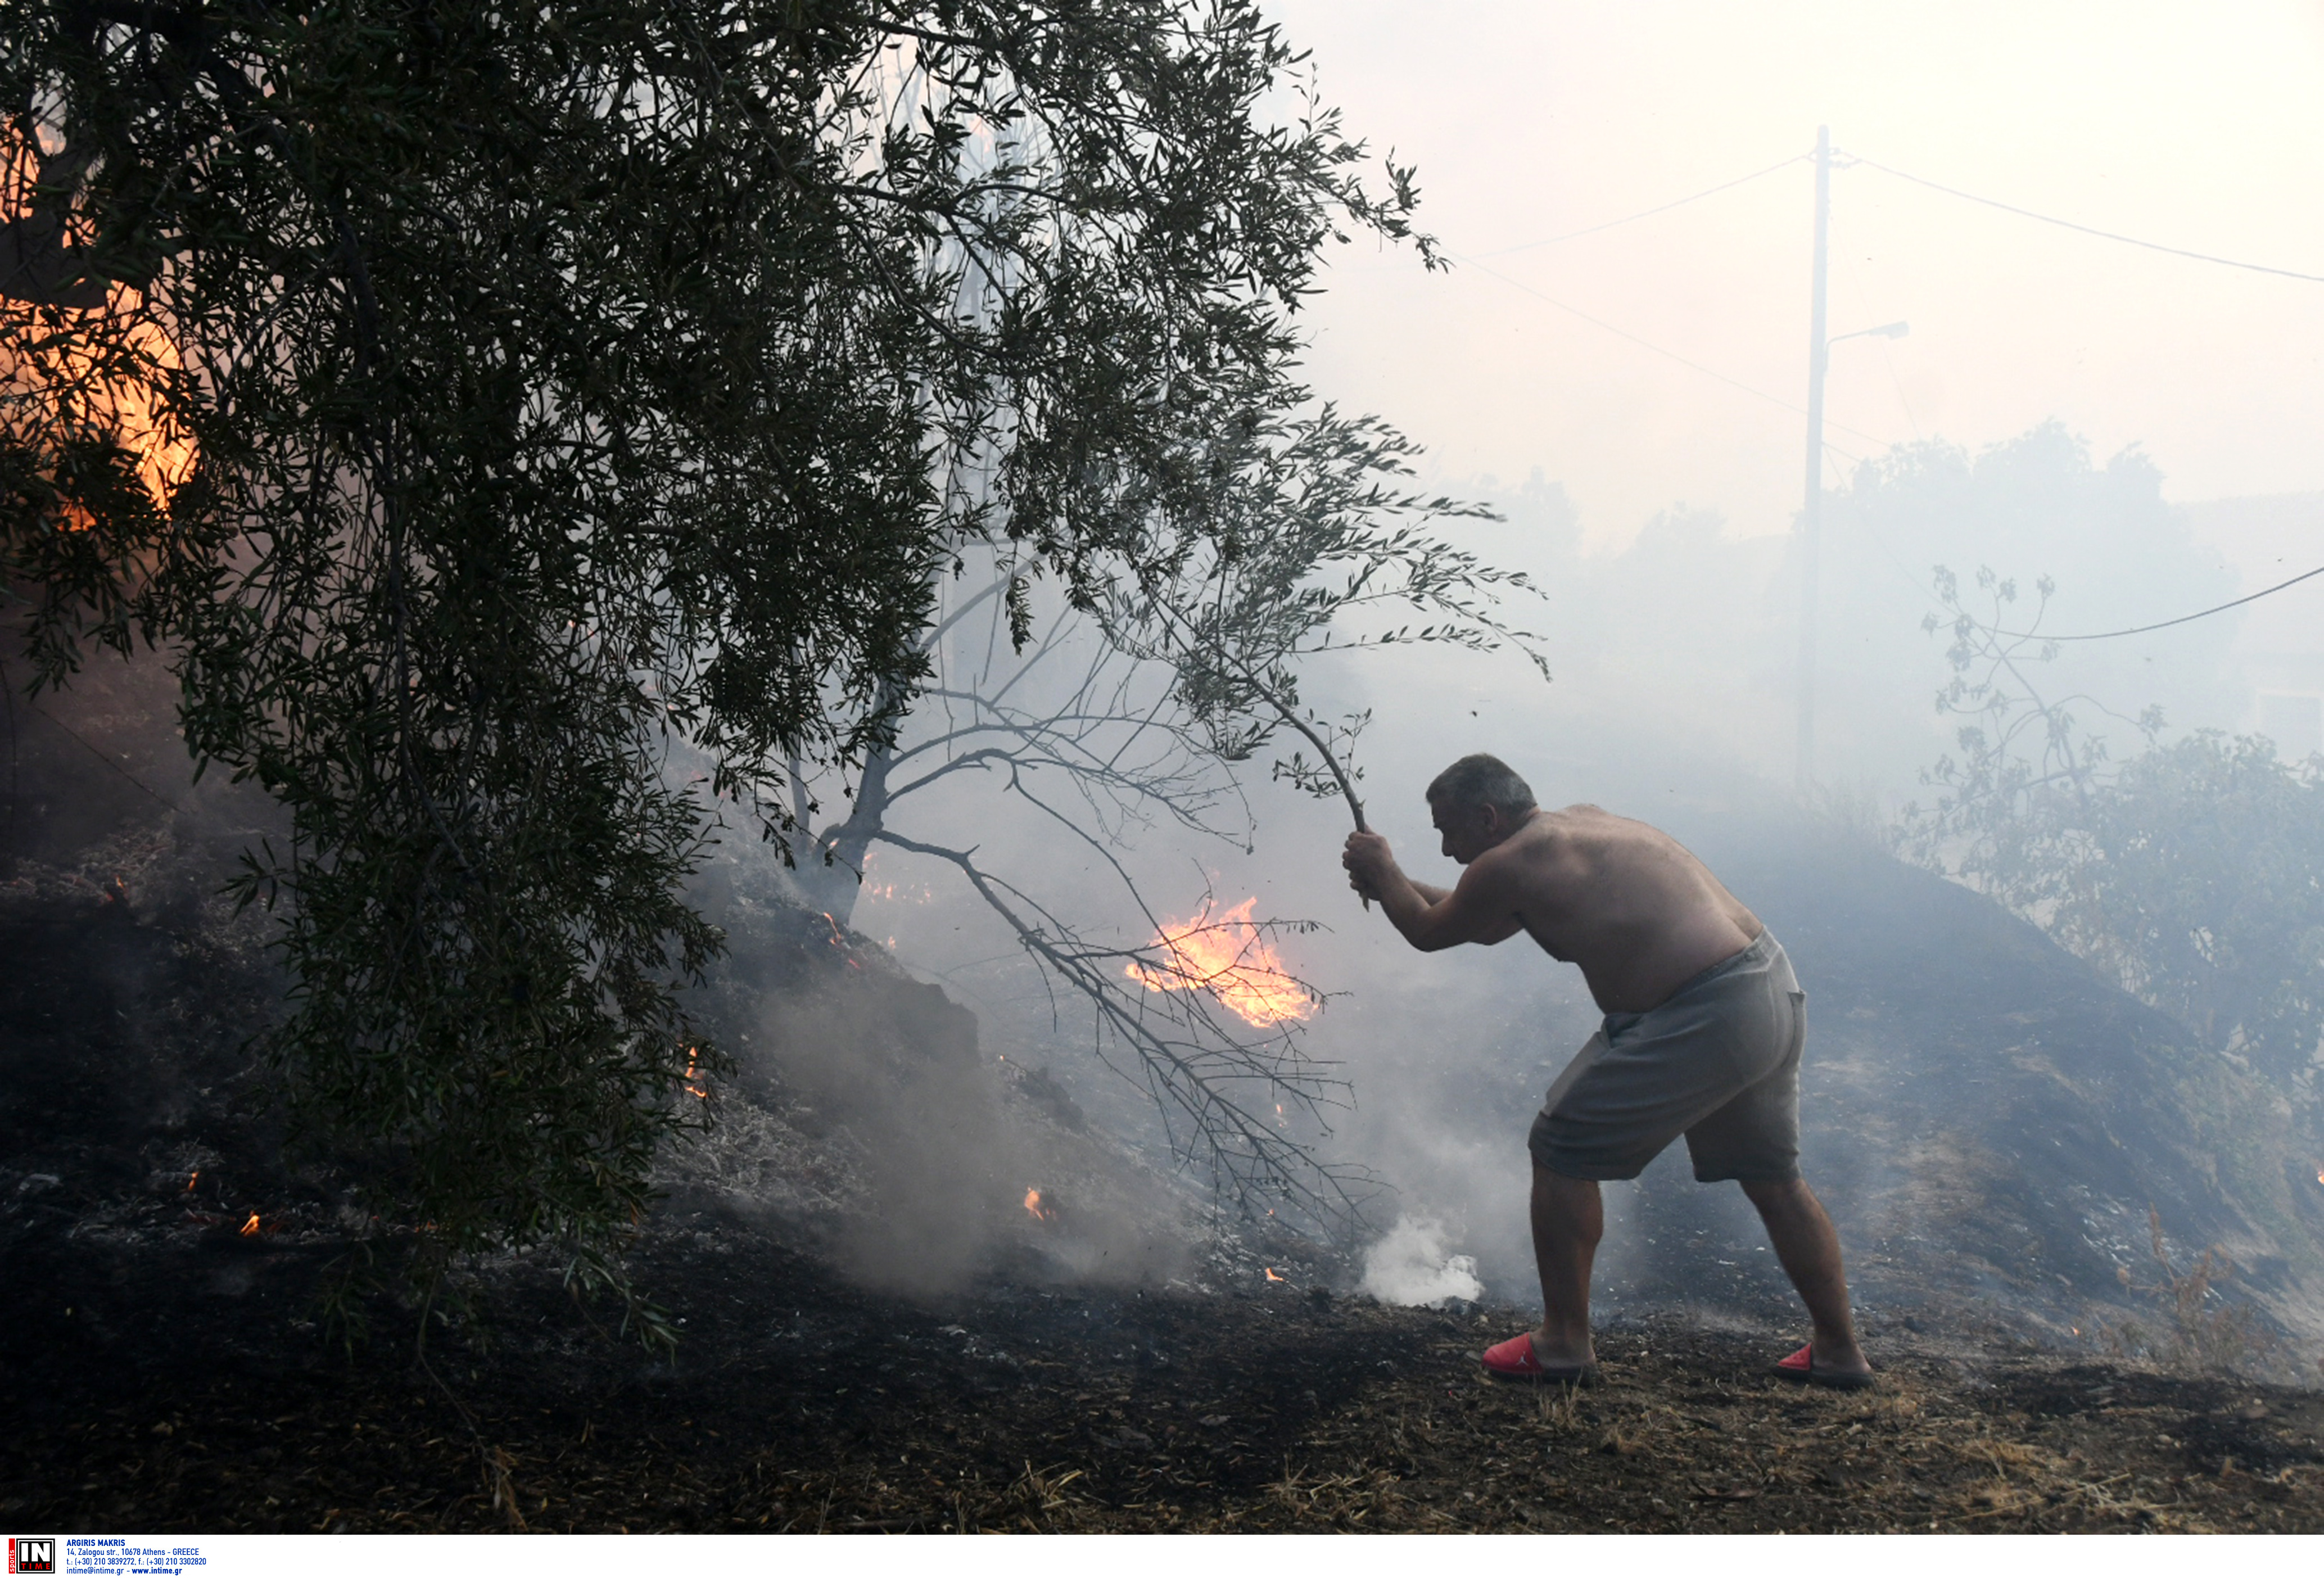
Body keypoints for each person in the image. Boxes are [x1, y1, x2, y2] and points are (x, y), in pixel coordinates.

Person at [1340, 753, 1873, 1389]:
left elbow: (1430, 931)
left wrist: (1385, 870)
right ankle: (1839, 1350)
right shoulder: (1575, 830)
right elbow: (1471, 916)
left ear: (1488, 817)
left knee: (1560, 1145)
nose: (1450, 848)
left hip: (1702, 1012)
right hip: (1766, 990)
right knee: (1773, 1177)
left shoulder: (1511, 863)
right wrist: (1394, 883)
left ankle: (1564, 1341)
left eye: (1449, 830)